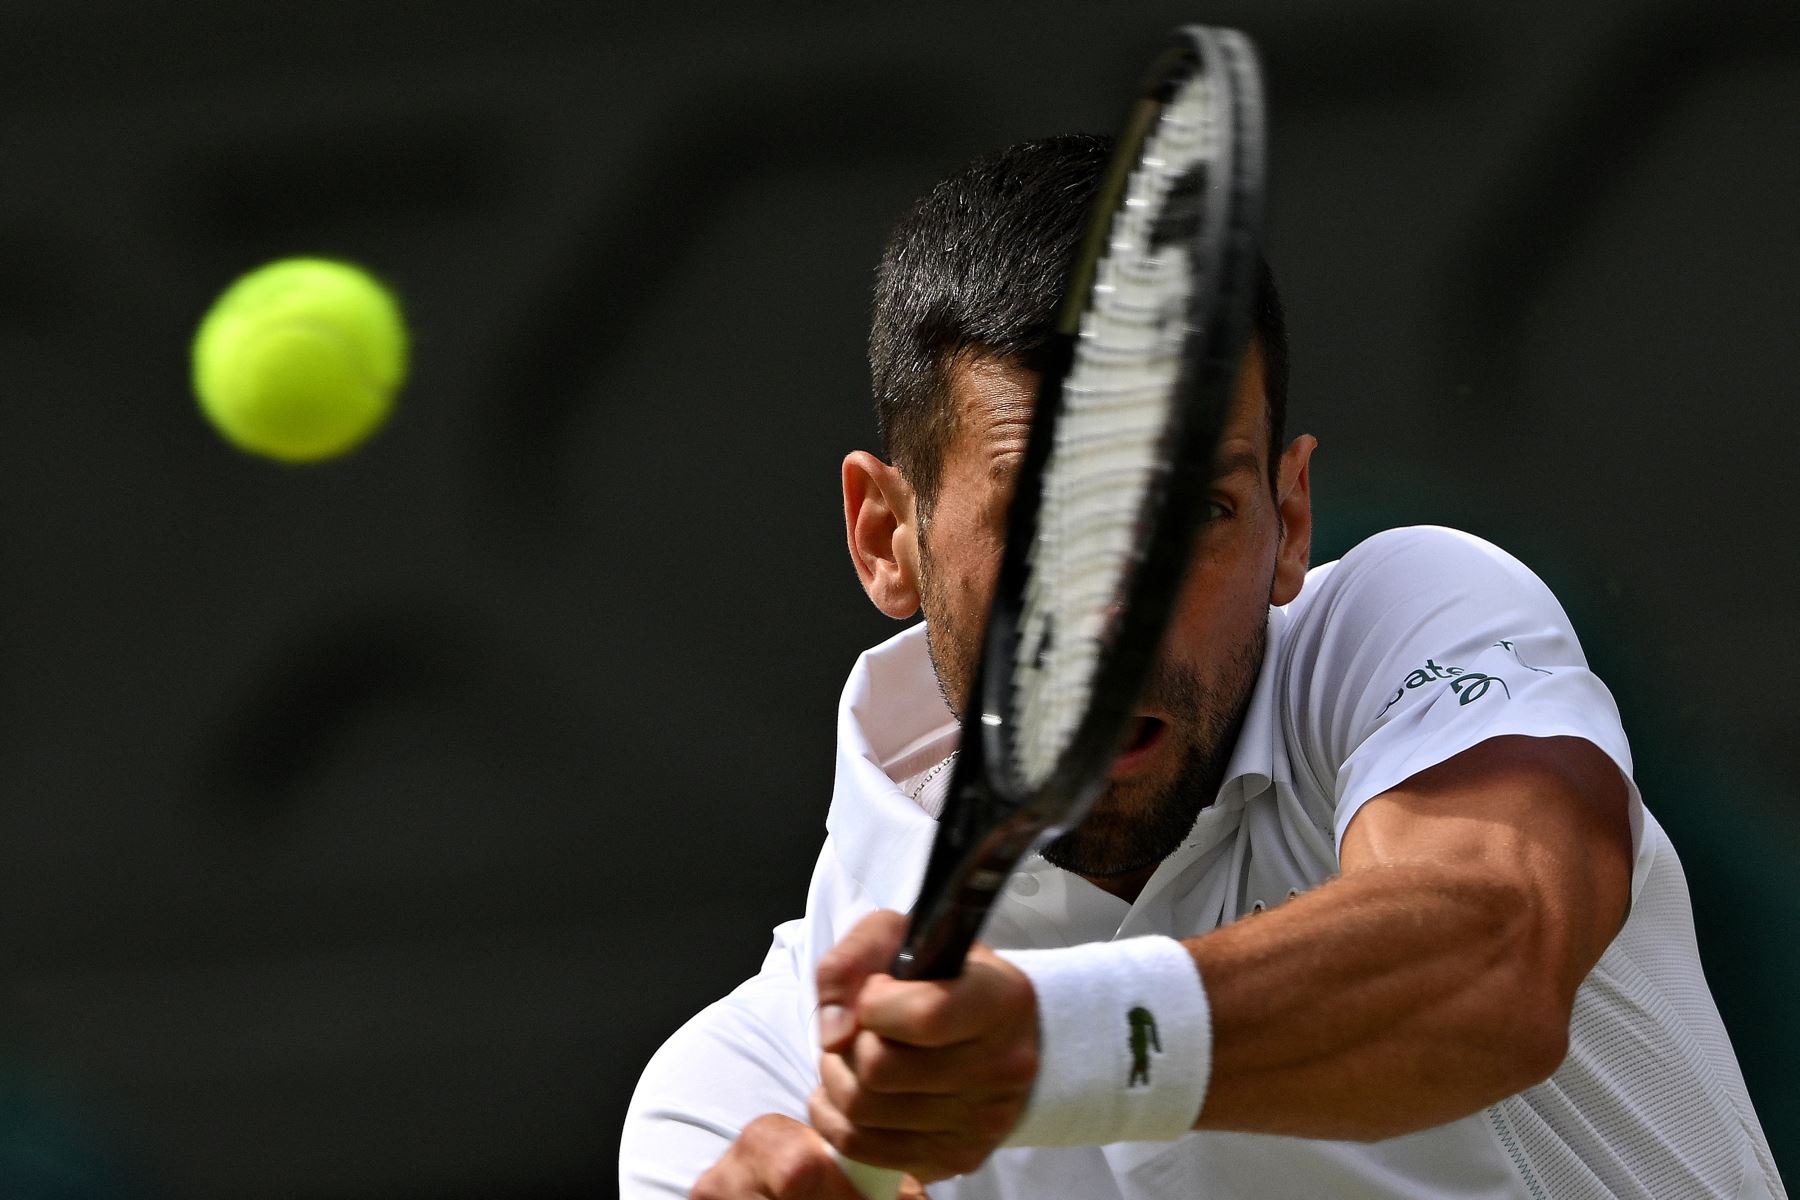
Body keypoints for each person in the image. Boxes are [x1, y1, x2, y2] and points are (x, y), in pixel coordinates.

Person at [619, 135, 1785, 1199]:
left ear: (1289, 517)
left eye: (1196, 515)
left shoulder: (1411, 619)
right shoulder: (732, 1101)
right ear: (887, 536)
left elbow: (1495, 955)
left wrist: (1050, 1046)